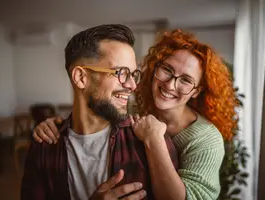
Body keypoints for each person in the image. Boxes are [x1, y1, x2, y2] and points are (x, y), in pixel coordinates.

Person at [33, 29, 238, 200]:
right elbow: (97, 108)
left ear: (196, 91)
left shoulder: (205, 139)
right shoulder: (132, 111)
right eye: (166, 69)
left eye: (186, 80)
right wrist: (56, 124)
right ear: (154, 68)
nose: (170, 84)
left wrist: (154, 139)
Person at [21, 24, 178, 200]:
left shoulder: (149, 141)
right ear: (81, 77)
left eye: (134, 74)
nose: (132, 86)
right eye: (121, 73)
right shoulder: (45, 147)